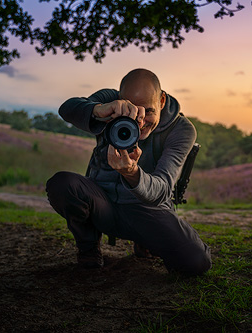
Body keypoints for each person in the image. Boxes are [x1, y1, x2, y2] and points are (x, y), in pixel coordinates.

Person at [45, 68, 211, 276]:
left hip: (147, 210)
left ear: (161, 100)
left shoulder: (182, 129)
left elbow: (162, 190)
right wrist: (99, 110)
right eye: (131, 112)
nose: (139, 122)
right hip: (101, 202)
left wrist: (132, 173)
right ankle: (89, 248)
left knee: (195, 262)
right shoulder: (110, 100)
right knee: (62, 184)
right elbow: (67, 109)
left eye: (148, 111)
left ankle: (146, 240)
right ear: (120, 97)